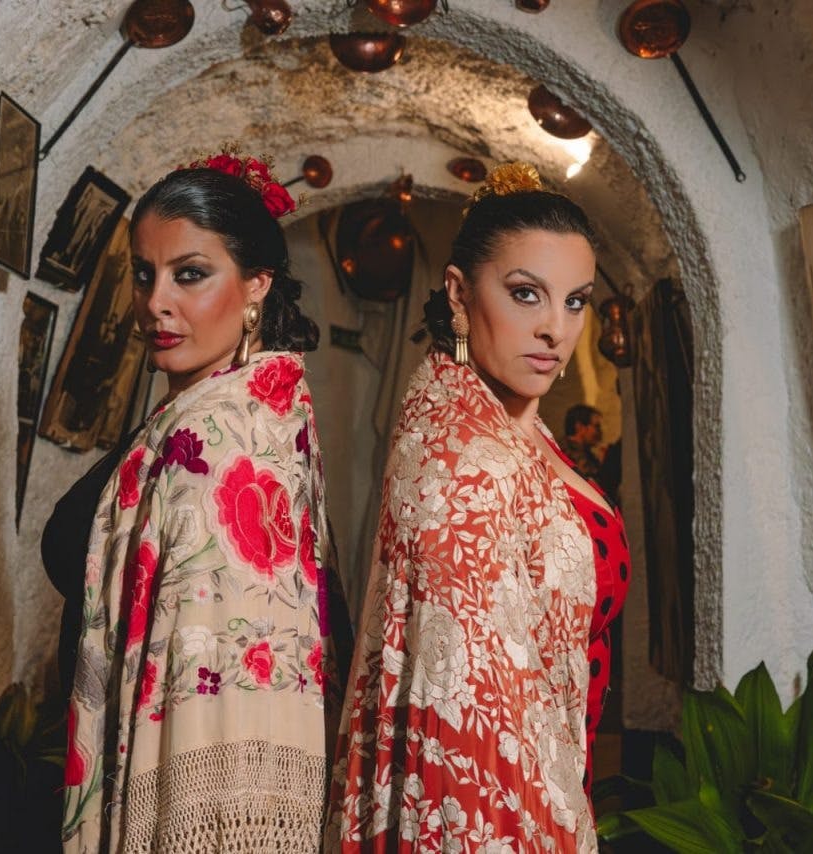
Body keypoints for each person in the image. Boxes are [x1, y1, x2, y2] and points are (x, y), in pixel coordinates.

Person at [330, 163, 631, 852]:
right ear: (460, 294)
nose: (555, 329)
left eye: (576, 301)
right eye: (526, 294)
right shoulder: (461, 463)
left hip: (566, 775)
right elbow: (469, 735)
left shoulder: (522, 430)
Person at [60, 153, 351, 853]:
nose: (156, 301)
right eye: (143, 273)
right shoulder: (203, 416)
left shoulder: (224, 441)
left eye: (189, 274)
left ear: (256, 286)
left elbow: (218, 697)